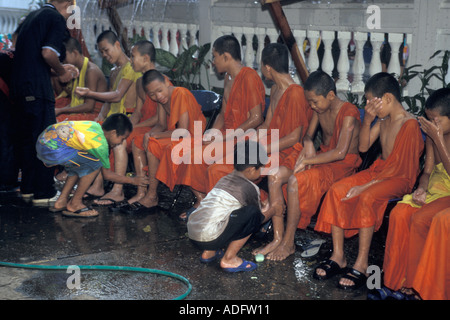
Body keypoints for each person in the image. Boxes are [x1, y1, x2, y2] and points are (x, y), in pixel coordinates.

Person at [313, 72, 424, 290]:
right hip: (379, 172)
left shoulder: (409, 124)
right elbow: (364, 147)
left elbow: (401, 170)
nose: (368, 105)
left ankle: (362, 264)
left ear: (388, 99)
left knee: (365, 197)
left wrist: (363, 186)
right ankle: (338, 256)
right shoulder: (383, 120)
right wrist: (370, 120)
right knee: (337, 190)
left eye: (371, 101)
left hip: (398, 178)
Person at [254, 70, 362, 261]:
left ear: (330, 95)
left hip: (342, 166)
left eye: (314, 102)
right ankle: (277, 238)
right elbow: (308, 135)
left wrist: (307, 161)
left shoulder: (349, 113)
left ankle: (288, 243)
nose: (312, 106)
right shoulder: (319, 109)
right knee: (275, 175)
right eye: (309, 102)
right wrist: (309, 142)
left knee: (295, 181)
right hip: (321, 157)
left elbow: (340, 152)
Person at [173, 35, 266, 219]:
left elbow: (255, 119)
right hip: (227, 135)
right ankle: (202, 200)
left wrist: (226, 137)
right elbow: (223, 114)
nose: (213, 62)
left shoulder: (249, 77)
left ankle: (219, 208)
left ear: (226, 56)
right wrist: (212, 133)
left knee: (209, 164)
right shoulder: (228, 78)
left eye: (215, 56)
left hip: (245, 139)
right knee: (190, 153)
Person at [205, 43, 313, 198]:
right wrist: (249, 142)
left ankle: (241, 207)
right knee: (218, 166)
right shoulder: (275, 89)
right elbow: (267, 124)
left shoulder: (295, 93)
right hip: (266, 145)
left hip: (283, 152)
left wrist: (261, 150)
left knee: (219, 171)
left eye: (262, 66)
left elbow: (293, 138)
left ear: (267, 67)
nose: (261, 70)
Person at [382, 87, 450, 299]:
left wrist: (438, 138)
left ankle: (422, 287)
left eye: (436, 120)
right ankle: (399, 280)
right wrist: (421, 187)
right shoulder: (432, 136)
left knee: (421, 219)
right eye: (429, 120)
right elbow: (428, 171)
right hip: (434, 189)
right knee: (400, 213)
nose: (432, 125)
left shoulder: (436, 136)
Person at [11, 0, 79, 205]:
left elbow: (31, 58)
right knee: (46, 140)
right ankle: (44, 192)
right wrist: (62, 72)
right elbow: (48, 53)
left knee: (27, 142)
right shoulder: (55, 18)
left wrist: (60, 68)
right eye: (71, 9)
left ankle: (28, 189)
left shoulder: (31, 17)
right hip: (38, 90)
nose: (70, 15)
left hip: (20, 89)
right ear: (67, 3)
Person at [121, 69, 206, 213]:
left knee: (157, 145)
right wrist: (150, 134)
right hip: (179, 136)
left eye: (159, 90)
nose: (158, 96)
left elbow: (184, 131)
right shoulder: (161, 99)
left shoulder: (180, 93)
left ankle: (198, 197)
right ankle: (148, 193)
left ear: (166, 82)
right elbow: (161, 124)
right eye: (152, 94)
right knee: (147, 142)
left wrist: (155, 136)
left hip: (193, 136)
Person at [35, 113, 149, 217]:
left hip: (43, 141)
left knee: (81, 162)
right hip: (52, 150)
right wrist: (133, 181)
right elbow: (107, 175)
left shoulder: (95, 126)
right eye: (122, 138)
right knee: (94, 163)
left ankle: (62, 200)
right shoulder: (100, 145)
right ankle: (75, 203)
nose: (120, 142)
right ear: (113, 132)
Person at [75, 30, 141, 206]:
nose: (105, 55)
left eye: (106, 50)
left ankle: (118, 190)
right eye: (101, 52)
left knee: (118, 144)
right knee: (91, 135)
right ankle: (97, 185)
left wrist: (90, 93)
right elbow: (108, 100)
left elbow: (117, 96)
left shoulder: (130, 67)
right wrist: (99, 118)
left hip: (126, 121)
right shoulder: (114, 71)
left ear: (117, 45)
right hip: (112, 118)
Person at [187, 140, 270, 273]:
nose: (261, 171)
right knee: (252, 215)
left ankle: (209, 252)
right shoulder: (250, 187)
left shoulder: (224, 179)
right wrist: (274, 208)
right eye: (260, 168)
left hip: (193, 232)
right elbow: (259, 218)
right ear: (251, 169)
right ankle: (229, 259)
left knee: (225, 213)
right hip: (210, 237)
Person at [54, 37, 108, 122]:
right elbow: (74, 99)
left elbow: (89, 106)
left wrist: (61, 110)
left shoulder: (91, 71)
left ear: (75, 53)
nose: (63, 62)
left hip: (95, 115)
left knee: (57, 122)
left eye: (64, 58)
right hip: (84, 111)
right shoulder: (77, 69)